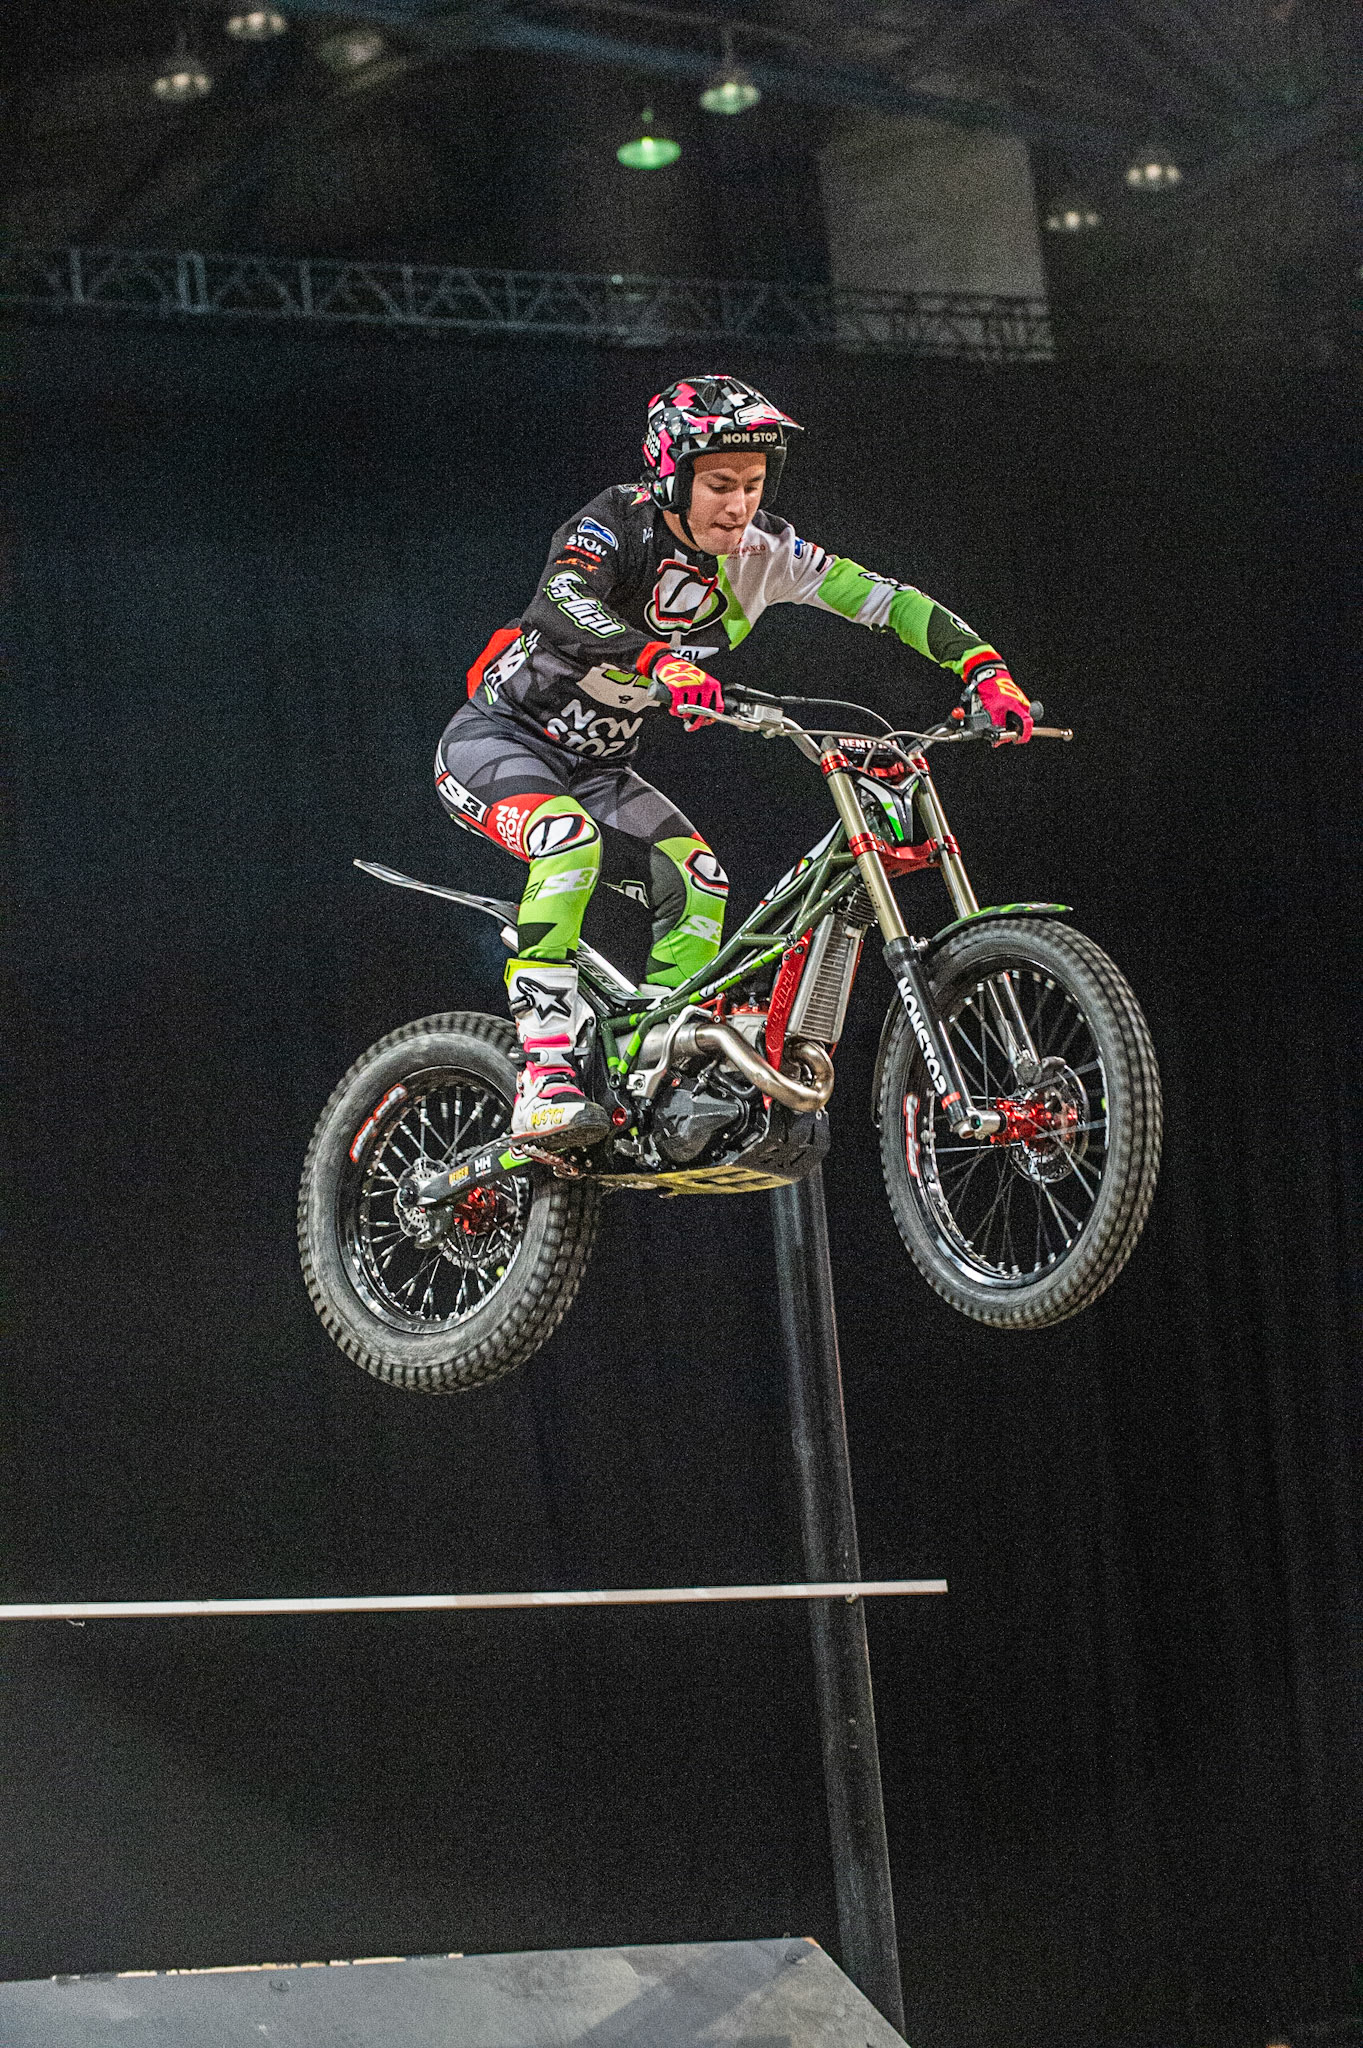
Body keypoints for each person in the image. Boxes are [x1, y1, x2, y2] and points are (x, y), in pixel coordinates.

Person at [434, 373, 1033, 1150]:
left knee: (699, 877)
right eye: (719, 484)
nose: (738, 504)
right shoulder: (616, 522)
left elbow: (891, 601)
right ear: (670, 476)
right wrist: (657, 661)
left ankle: (649, 1063)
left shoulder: (767, 556)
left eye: (753, 485)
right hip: (497, 740)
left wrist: (984, 668)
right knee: (567, 843)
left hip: (599, 768)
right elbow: (559, 605)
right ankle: (544, 1076)